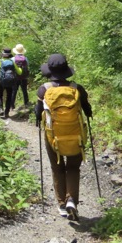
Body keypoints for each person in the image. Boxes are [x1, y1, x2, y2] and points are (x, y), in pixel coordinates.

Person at [34, 53, 92, 220]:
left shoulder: (44, 89)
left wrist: (39, 119)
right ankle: (72, 199)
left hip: (53, 136)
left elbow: (38, 114)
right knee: (73, 168)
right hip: (76, 135)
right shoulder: (76, 88)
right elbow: (87, 110)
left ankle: (61, 204)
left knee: (57, 168)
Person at [0, 48, 22, 119]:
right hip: (10, 81)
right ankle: (6, 112)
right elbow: (19, 72)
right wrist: (20, 68)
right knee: (9, 96)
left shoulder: (0, 61)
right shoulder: (12, 62)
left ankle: (0, 109)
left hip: (0, 81)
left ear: (3, 54)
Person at [11, 43, 30, 108]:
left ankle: (12, 105)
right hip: (24, 77)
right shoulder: (25, 58)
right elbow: (27, 66)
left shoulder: (13, 59)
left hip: (15, 77)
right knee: (24, 90)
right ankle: (26, 103)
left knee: (14, 91)